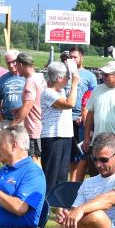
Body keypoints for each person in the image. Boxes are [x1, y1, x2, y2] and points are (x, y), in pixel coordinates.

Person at [39, 61, 79, 201]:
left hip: (65, 136)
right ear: (59, 79)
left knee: (62, 173)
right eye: (66, 77)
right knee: (51, 173)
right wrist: (74, 84)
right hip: (52, 137)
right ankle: (46, 203)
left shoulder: (60, 91)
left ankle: (59, 203)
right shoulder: (48, 93)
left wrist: (72, 69)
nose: (68, 80)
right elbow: (70, 104)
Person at [64, 46, 99, 176]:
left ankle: (76, 183)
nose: (72, 59)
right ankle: (71, 182)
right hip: (65, 118)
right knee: (70, 155)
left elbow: (93, 97)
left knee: (81, 155)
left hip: (80, 120)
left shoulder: (89, 76)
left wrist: (82, 115)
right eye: (70, 57)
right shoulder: (64, 73)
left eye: (75, 57)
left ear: (81, 58)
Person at [11, 53, 43, 160]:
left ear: (20, 64)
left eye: (16, 65)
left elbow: (28, 106)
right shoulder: (39, 77)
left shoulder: (30, 82)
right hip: (42, 126)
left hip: (34, 129)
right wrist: (20, 109)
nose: (15, 69)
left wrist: (13, 123)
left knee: (34, 161)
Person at [0, 49, 24, 129]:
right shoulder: (2, 79)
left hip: (24, 121)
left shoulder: (26, 77)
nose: (11, 65)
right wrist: (2, 120)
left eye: (13, 62)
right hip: (7, 120)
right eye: (8, 63)